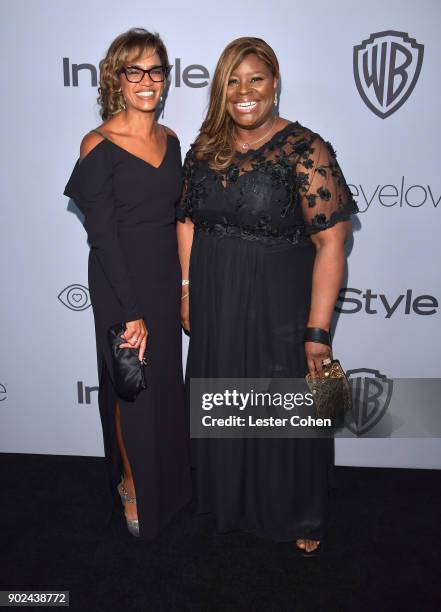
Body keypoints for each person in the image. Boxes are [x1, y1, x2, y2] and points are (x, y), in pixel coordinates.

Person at [176, 37, 359, 555]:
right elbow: (187, 221)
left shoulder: (305, 148)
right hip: (215, 297)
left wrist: (318, 333)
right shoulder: (206, 146)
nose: (244, 91)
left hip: (280, 301)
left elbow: (331, 243)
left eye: (255, 78)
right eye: (232, 80)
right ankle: (226, 501)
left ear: (274, 83)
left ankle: (300, 511)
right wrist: (187, 290)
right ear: (221, 89)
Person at [64, 28, 191, 539]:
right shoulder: (98, 144)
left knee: (162, 388)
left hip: (163, 278)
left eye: (155, 70)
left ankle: (170, 483)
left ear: (165, 79)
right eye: (134, 70)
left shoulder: (173, 141)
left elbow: (181, 218)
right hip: (121, 284)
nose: (146, 81)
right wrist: (132, 309)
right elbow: (103, 238)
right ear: (117, 79)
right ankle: (132, 484)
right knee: (130, 389)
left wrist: (183, 287)